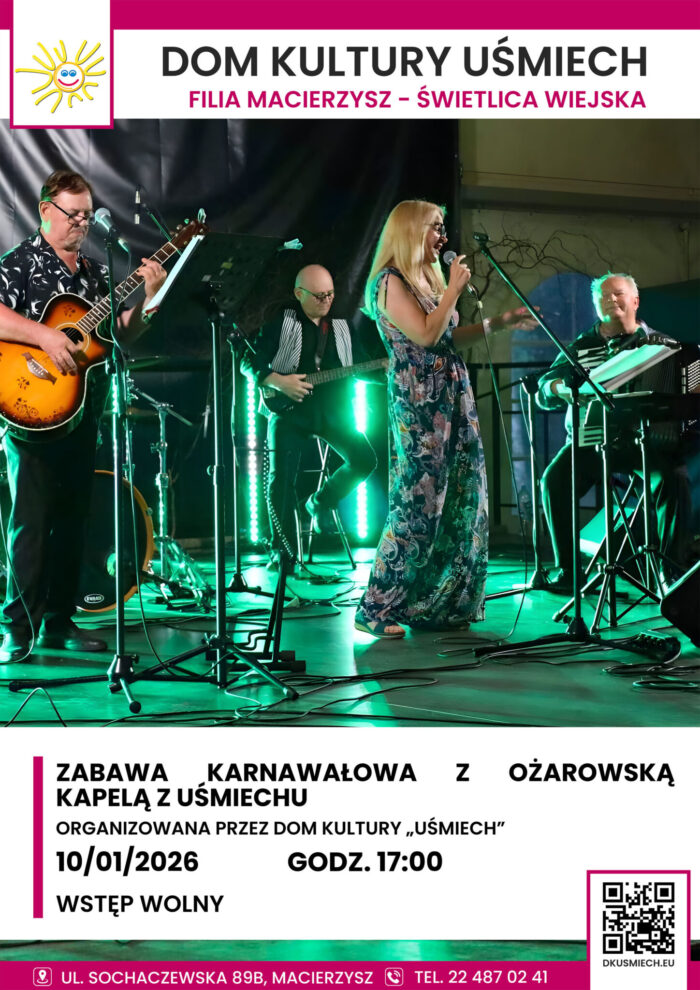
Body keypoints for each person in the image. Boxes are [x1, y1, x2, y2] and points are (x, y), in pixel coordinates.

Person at [0, 169, 166, 663]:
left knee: (73, 520)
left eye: (87, 215)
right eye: (72, 214)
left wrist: (149, 300)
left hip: (82, 411)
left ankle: (58, 622)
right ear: (45, 210)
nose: (81, 222)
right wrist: (45, 336)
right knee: (31, 522)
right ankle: (17, 627)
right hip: (29, 409)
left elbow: (118, 334)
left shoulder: (96, 273)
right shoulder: (20, 263)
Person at [355, 200, 534, 638]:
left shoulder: (428, 278)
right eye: (436, 227)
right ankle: (375, 607)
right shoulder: (389, 282)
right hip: (420, 405)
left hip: (453, 398)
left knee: (462, 500)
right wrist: (453, 289)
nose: (444, 236)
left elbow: (448, 337)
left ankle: (439, 603)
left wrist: (500, 322)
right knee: (418, 503)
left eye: (443, 227)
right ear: (411, 231)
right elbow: (424, 334)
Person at [538, 272, 693, 594]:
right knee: (554, 480)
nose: (611, 299)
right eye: (604, 296)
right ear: (596, 306)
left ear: (635, 300)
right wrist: (558, 388)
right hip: (591, 442)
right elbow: (544, 390)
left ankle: (671, 572)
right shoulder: (581, 348)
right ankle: (568, 572)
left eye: (618, 293)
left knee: (674, 478)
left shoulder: (664, 346)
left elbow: (688, 393)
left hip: (647, 443)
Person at [240, 264, 377, 568]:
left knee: (365, 459)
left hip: (333, 412)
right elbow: (248, 361)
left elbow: (361, 364)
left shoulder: (341, 325)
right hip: (289, 413)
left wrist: (388, 371)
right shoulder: (282, 323)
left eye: (330, 294)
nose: (326, 301)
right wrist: (277, 381)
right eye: (318, 296)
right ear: (298, 293)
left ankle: (319, 502)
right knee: (280, 481)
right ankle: (283, 552)